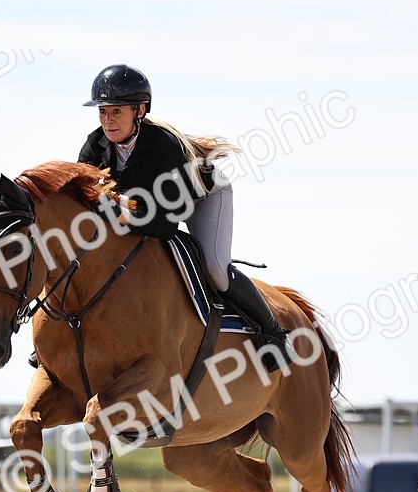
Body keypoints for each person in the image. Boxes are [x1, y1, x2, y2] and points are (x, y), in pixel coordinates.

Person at [78, 63, 292, 370]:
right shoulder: (94, 146)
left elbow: (165, 226)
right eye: (103, 112)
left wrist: (119, 213)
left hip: (203, 198)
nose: (107, 121)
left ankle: (274, 334)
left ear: (140, 111)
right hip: (144, 208)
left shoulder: (164, 146)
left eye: (116, 112)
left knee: (216, 269)